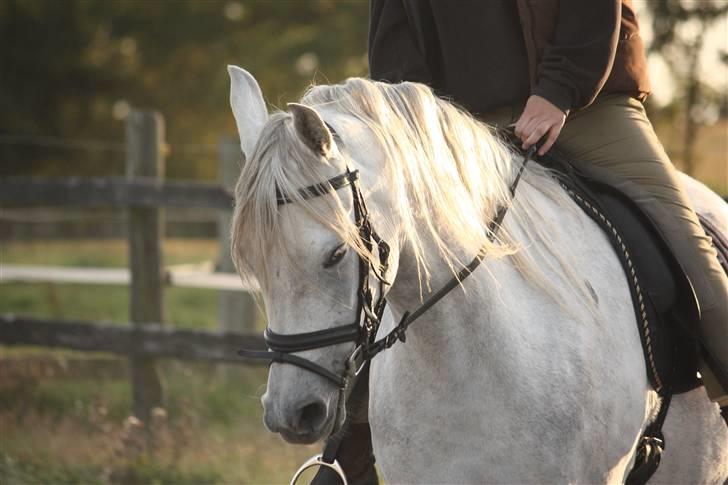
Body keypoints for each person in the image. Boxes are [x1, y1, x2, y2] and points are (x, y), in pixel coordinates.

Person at [316, 1, 728, 483]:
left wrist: (557, 92)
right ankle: (343, 457)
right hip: (464, 128)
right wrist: (424, 132)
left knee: (684, 238)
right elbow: (396, 52)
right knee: (402, 262)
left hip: (588, 106)